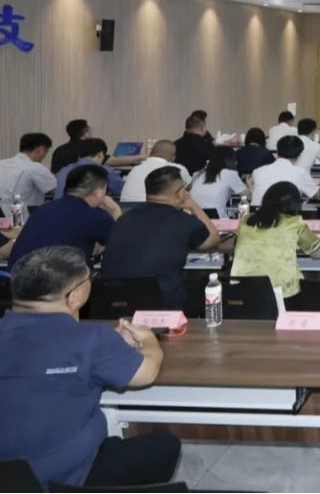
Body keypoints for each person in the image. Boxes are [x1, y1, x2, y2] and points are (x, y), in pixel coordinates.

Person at [0, 246, 178, 489]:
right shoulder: (92, 339)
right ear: (75, 296)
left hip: (9, 479)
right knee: (165, 446)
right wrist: (148, 340)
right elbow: (147, 372)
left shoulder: (91, 340)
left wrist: (110, 347)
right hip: (67, 478)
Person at [101, 167, 220, 309]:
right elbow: (213, 239)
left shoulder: (124, 219)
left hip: (113, 302)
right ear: (179, 193)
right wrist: (194, 206)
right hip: (162, 304)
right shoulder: (184, 221)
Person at [231, 181, 320, 302]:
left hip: (241, 291)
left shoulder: (245, 219)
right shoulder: (294, 222)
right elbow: (318, 251)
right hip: (282, 292)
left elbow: (236, 244)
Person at [8, 165, 121, 266]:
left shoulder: (42, 209)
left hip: (14, 278)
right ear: (97, 193)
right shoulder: (97, 216)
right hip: (54, 280)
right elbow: (122, 246)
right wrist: (116, 211)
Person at [251, 136, 319, 206]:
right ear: (299, 155)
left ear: (277, 152)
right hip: (285, 212)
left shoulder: (258, 171)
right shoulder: (300, 173)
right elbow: (317, 195)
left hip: (257, 212)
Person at [119, 140, 191, 203]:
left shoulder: (135, 168)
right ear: (173, 158)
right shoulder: (177, 169)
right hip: (152, 211)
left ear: (150, 153)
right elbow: (190, 188)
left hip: (125, 210)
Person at [0, 133, 56, 213]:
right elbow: (58, 190)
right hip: (20, 216)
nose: (45, 155)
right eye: (46, 151)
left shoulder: (2, 163)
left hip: (3, 215)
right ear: (39, 150)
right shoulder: (35, 167)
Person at [54, 139, 124, 198]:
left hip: (58, 208)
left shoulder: (63, 170)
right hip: (85, 209)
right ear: (100, 154)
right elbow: (121, 192)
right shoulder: (105, 171)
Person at [190, 146, 249, 216]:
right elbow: (248, 196)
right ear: (229, 160)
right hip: (217, 219)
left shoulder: (197, 174)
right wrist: (249, 182)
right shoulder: (229, 173)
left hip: (194, 218)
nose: (236, 162)